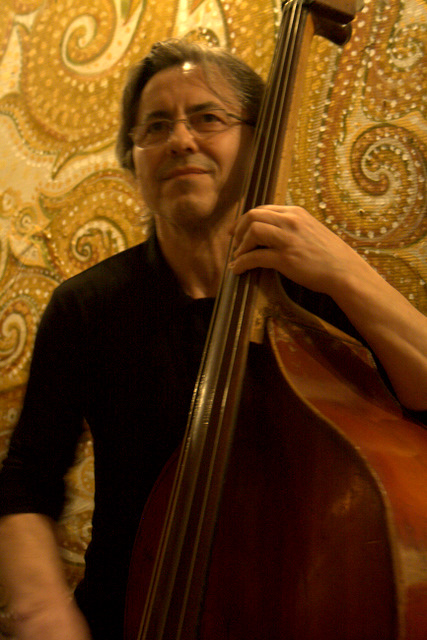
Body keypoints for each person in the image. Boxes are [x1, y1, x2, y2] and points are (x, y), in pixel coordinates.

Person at [0, 39, 426, 640]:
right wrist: (42, 611)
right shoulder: (88, 306)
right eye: (155, 126)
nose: (180, 140)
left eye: (208, 117)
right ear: (134, 160)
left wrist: (346, 272)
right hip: (129, 616)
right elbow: (26, 480)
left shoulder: (316, 285)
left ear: (259, 142)